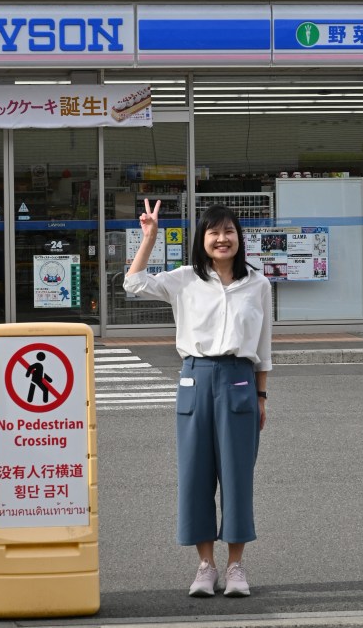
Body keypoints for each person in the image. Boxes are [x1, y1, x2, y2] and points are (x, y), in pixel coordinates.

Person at [124, 200, 272, 598]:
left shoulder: (258, 284)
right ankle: (205, 567)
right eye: (213, 233)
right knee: (195, 475)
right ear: (202, 240)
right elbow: (133, 284)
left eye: (228, 232)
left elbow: (263, 346)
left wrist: (261, 394)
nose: (222, 239)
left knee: (238, 476)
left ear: (239, 237)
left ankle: (236, 567)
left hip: (240, 381)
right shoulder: (184, 279)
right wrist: (149, 238)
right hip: (195, 377)